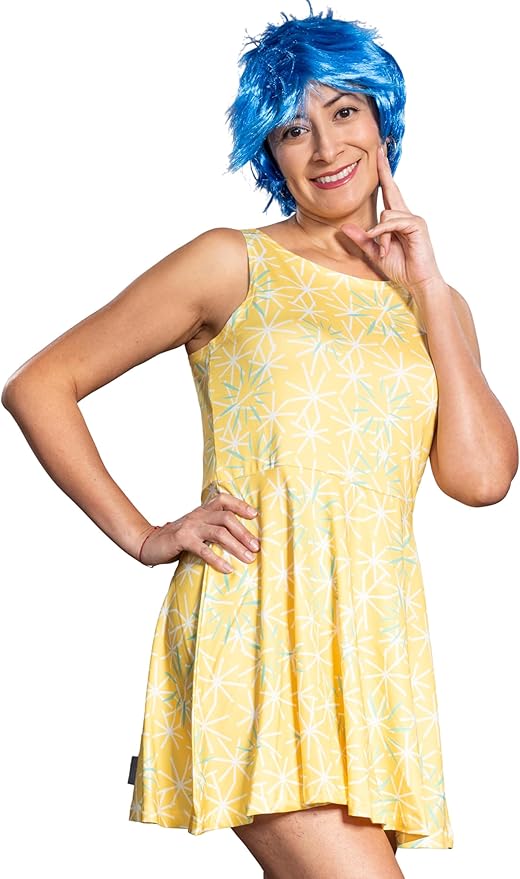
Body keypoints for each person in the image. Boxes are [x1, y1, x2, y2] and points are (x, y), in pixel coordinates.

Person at [2, 4, 518, 879]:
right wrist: (145, 535)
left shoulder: (437, 302)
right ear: (269, 152)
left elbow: (480, 478)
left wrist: (430, 288)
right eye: (292, 129)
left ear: (382, 119)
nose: (325, 148)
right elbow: (40, 384)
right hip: (256, 633)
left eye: (344, 112)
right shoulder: (231, 261)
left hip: (370, 648)